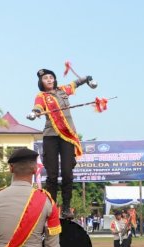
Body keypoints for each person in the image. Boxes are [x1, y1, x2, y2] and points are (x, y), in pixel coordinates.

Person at [29, 68, 92, 219]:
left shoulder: (63, 90)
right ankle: (50, 208)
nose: (49, 80)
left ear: (54, 79)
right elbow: (38, 106)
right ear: (41, 82)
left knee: (67, 173)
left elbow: (75, 84)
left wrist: (86, 78)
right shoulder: (41, 96)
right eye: (45, 78)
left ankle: (66, 208)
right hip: (50, 135)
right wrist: (35, 112)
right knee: (52, 175)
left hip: (67, 135)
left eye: (51, 77)